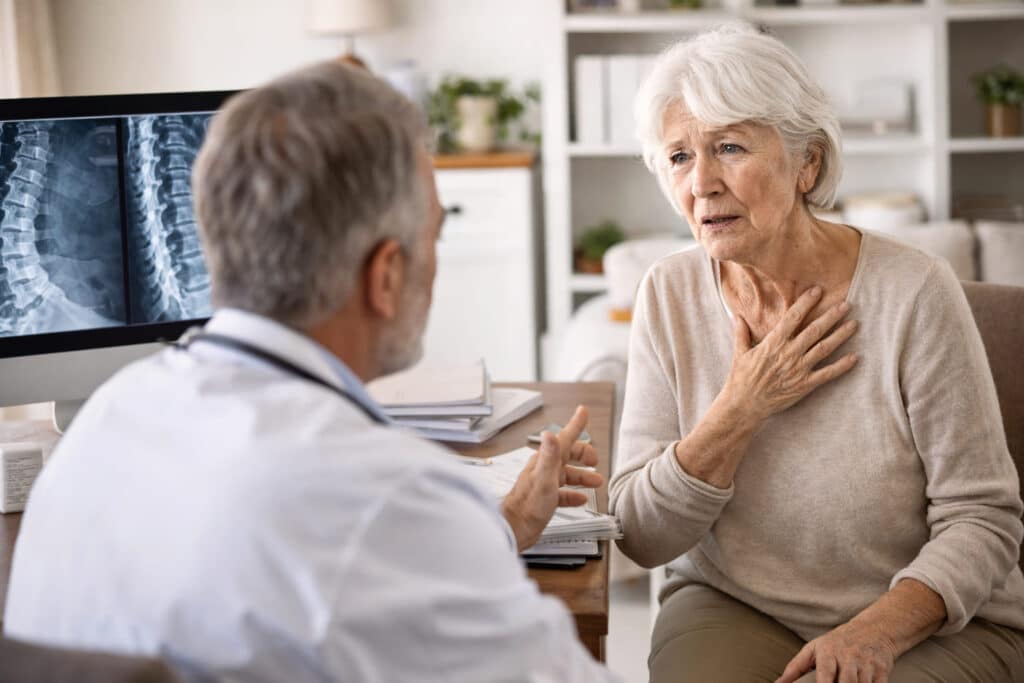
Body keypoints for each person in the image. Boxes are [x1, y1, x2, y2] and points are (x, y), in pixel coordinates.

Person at [4, 62, 619, 682]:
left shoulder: (107, 419)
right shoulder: (381, 497)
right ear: (385, 276)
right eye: (434, 235)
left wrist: (504, 526)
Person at [610, 23, 1024, 683]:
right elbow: (638, 532)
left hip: (930, 614)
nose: (703, 183)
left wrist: (873, 630)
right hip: (735, 600)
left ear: (807, 162)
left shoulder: (914, 290)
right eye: (680, 157)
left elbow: (984, 517)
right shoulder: (668, 292)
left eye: (730, 146)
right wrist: (741, 407)